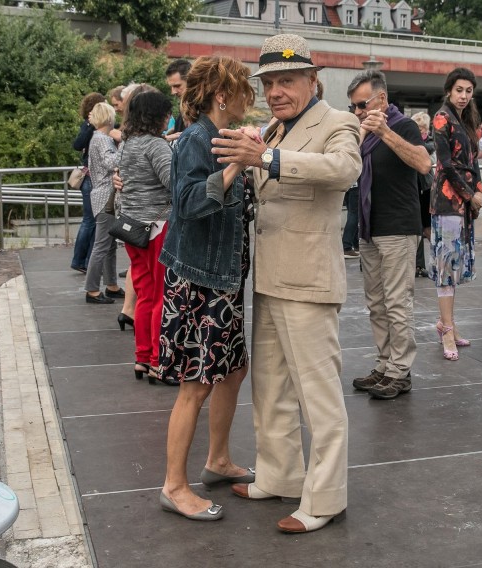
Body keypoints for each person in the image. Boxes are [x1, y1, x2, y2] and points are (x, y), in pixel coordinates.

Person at [211, 34, 361, 534]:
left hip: (310, 281)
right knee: (271, 387)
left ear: (313, 80)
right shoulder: (274, 126)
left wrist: (267, 161)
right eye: (269, 82)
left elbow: (343, 170)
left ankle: (325, 498)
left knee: (319, 398)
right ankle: (280, 475)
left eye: (287, 81)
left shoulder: (338, 122)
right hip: (271, 276)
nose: (276, 91)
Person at [156, 56, 257, 521]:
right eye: (243, 90)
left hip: (222, 280)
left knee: (232, 371)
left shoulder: (221, 137)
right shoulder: (197, 140)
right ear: (222, 95)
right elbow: (189, 203)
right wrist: (236, 167)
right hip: (198, 280)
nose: (250, 99)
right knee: (195, 384)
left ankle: (217, 460)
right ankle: (174, 485)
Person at [346, 70, 430, 400]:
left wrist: (385, 133)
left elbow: (423, 163)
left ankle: (400, 371)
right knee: (376, 304)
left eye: (361, 104)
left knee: (397, 303)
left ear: (381, 99)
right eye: (353, 106)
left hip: (398, 228)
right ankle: (384, 364)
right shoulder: (362, 133)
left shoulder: (403, 126)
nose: (357, 112)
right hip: (370, 227)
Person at [117, 91, 175, 386]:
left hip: (132, 229)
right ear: (158, 116)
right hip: (158, 227)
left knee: (145, 294)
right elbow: (173, 183)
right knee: (163, 296)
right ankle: (157, 362)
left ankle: (142, 357)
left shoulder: (126, 145)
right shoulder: (156, 146)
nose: (168, 119)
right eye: (166, 114)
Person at [429, 67, 482, 361]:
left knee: (455, 265)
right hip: (447, 202)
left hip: (463, 204)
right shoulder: (442, 117)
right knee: (446, 267)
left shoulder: (465, 121)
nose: (464, 96)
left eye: (469, 91)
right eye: (459, 90)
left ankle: (448, 323)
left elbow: (472, 162)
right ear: (449, 90)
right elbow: (446, 165)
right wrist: (470, 194)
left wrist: (479, 190)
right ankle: (446, 329)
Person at [83, 102, 124, 305]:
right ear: (109, 118)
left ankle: (112, 285)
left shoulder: (97, 138)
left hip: (100, 196)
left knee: (109, 246)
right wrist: (125, 146)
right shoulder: (102, 139)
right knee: (101, 246)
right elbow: (112, 163)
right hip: (105, 197)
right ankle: (92, 289)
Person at [70, 92, 105, 274]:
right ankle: (81, 260)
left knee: (90, 221)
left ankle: (83, 260)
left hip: (90, 178)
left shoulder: (90, 126)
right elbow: (77, 144)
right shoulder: (91, 126)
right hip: (92, 178)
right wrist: (91, 124)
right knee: (90, 221)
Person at [411, 111, 434, 277]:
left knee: (426, 228)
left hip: (426, 190)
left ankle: (436, 260)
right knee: (419, 228)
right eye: (417, 128)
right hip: (416, 189)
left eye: (423, 129)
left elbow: (430, 157)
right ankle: (419, 265)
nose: (421, 132)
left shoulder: (430, 143)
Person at [165, 59, 192, 142]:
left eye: (177, 86)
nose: (173, 92)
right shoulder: (184, 108)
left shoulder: (206, 109)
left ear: (191, 81)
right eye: (172, 87)